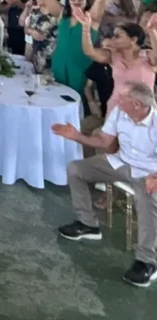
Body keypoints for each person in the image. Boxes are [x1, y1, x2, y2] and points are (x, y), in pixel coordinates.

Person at [52, 82, 157, 287]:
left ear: (136, 104)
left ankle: (147, 262)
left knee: (147, 202)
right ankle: (88, 224)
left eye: (121, 97)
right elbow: (104, 142)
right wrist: (77, 137)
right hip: (120, 162)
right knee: (76, 169)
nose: (116, 100)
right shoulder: (120, 112)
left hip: (148, 173)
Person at [25, 0, 110, 100]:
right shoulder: (61, 16)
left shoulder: (92, 19)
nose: (76, 1)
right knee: (55, 99)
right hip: (58, 64)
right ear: (67, 0)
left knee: (78, 101)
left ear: (86, 1)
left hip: (80, 66)